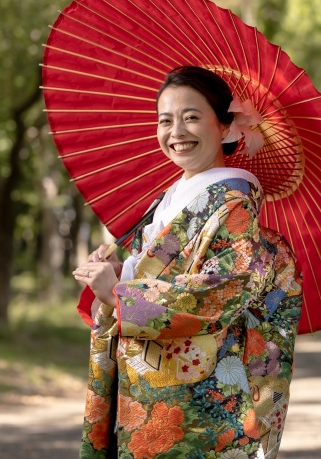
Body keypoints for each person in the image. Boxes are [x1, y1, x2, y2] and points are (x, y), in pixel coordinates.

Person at [72, 66, 303, 459]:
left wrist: (119, 295)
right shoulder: (168, 200)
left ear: (228, 128)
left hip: (197, 397)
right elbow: (159, 273)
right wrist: (119, 271)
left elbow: (216, 292)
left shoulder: (232, 204)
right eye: (166, 120)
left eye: (192, 117)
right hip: (146, 384)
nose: (176, 132)